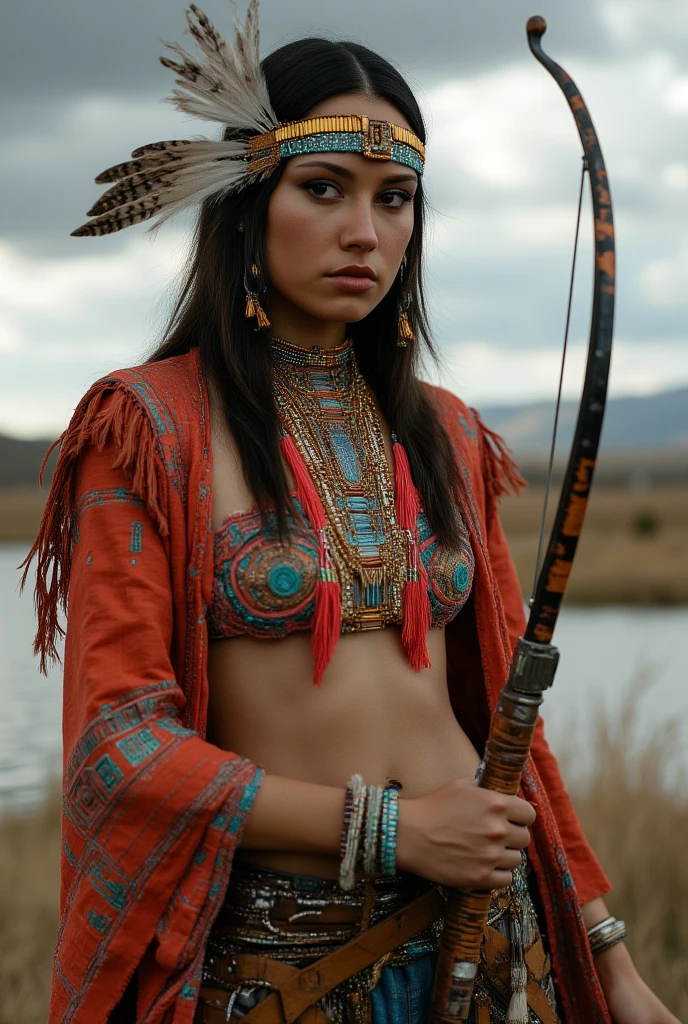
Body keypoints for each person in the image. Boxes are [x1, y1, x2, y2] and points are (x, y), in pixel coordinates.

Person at [23, 2, 680, 1022]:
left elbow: (510, 728)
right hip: (286, 969)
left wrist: (611, 956)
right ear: (246, 202)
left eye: (396, 198)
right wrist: (393, 830)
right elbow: (122, 745)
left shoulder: (450, 433)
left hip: (483, 942)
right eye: (323, 189)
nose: (365, 232)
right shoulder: (148, 429)